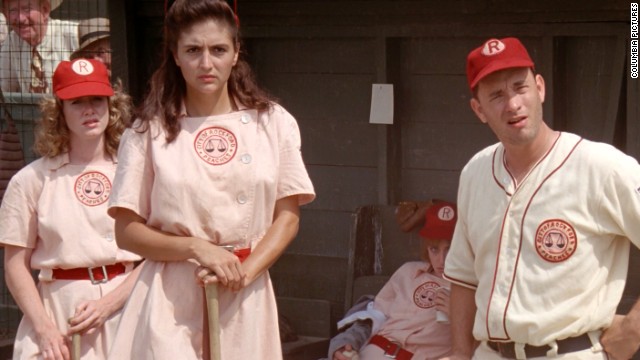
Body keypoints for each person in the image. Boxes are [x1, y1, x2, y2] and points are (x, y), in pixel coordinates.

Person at [106, 0, 315, 359]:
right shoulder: (146, 131)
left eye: (218, 49)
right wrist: (196, 247)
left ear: (236, 53)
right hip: (169, 297)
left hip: (244, 291)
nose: (206, 63)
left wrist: (244, 273)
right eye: (193, 50)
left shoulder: (274, 122)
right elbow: (126, 231)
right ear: (175, 56)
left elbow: (288, 216)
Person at [443, 37, 640, 360]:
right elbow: (464, 277)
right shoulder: (475, 172)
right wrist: (460, 353)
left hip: (567, 351)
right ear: (478, 109)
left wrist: (632, 331)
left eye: (520, 88)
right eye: (496, 95)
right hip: (489, 353)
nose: (513, 104)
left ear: (540, 88)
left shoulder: (601, 167)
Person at [0, 58, 143, 360]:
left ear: (111, 105)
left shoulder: (136, 172)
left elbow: (158, 252)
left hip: (126, 306)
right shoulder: (31, 180)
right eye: (77, 102)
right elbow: (15, 265)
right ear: (59, 112)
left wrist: (110, 303)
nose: (89, 110)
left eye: (97, 100)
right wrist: (44, 329)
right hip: (58, 314)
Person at [327, 201, 457, 360]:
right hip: (369, 352)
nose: (441, 260)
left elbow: (480, 346)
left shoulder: (470, 289)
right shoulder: (408, 271)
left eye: (449, 249)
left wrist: (459, 316)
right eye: (434, 249)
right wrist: (344, 344)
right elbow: (371, 318)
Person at [0, 0, 78, 93]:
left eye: (27, 9)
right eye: (13, 11)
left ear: (45, 10)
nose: (20, 18)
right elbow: (6, 91)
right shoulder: (12, 42)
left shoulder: (73, 35)